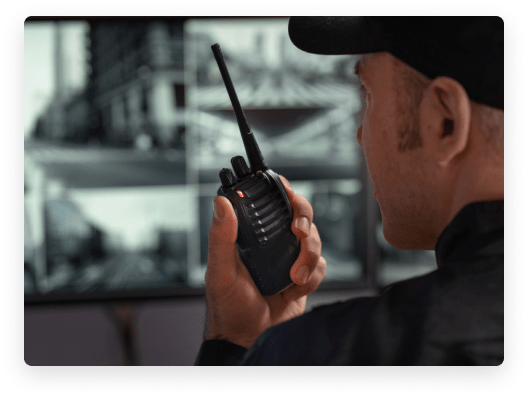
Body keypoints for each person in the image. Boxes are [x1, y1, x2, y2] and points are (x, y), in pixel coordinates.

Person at [195, 15, 505, 366]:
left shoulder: (328, 354)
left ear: (445, 122)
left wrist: (238, 345)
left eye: (367, 95)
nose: (360, 135)